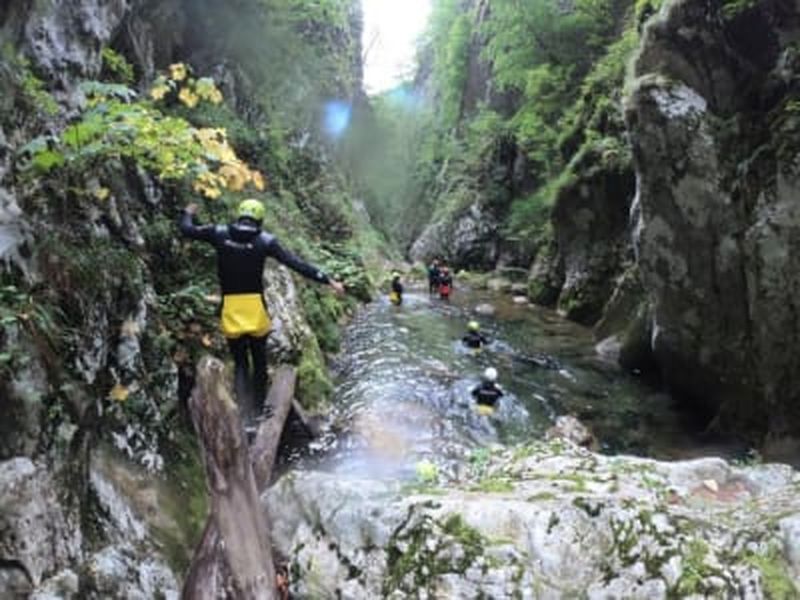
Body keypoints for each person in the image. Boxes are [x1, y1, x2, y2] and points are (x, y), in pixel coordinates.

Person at [179, 199, 344, 418]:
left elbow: (187, 229)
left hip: (231, 308)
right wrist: (329, 280)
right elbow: (297, 264)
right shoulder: (265, 241)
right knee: (259, 361)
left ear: (239, 215)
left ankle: (244, 412)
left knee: (240, 362)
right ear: (260, 219)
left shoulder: (218, 233)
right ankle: (258, 411)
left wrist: (188, 212)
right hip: (255, 308)